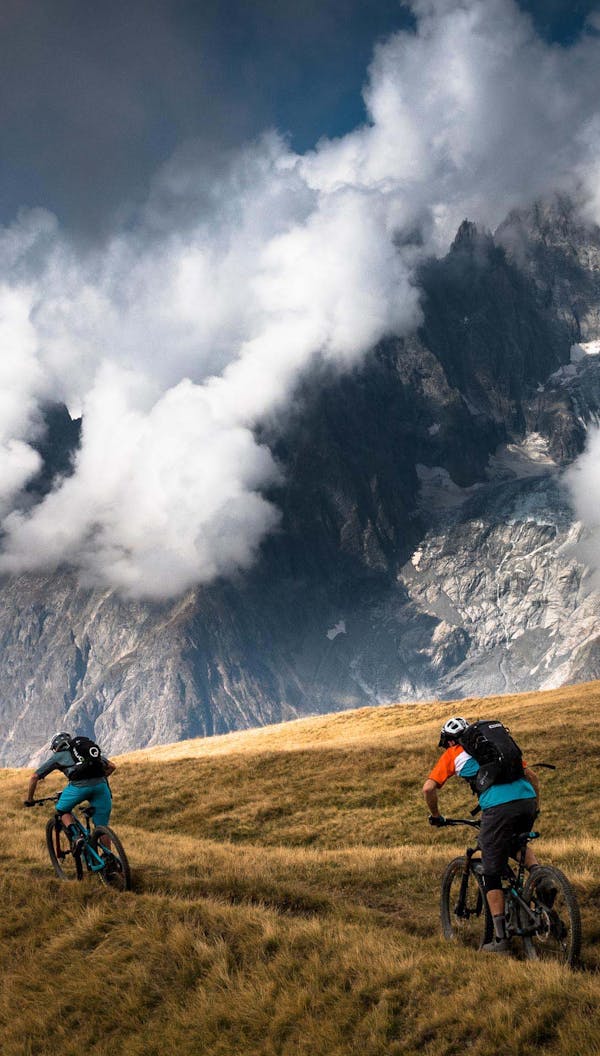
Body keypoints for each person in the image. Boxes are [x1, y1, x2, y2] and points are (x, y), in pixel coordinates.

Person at [423, 715, 547, 954]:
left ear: (449, 741)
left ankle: (501, 941)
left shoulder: (453, 753)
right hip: (527, 801)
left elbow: (428, 788)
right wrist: (536, 807)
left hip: (498, 808)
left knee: (490, 871)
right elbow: (533, 777)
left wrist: (437, 816)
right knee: (515, 843)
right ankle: (542, 881)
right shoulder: (497, 748)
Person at [24, 731, 116, 847]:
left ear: (55, 747)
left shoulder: (57, 756)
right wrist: (97, 780)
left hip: (79, 787)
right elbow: (112, 766)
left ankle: (77, 838)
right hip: (101, 787)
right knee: (101, 827)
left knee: (62, 810)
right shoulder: (83, 752)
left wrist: (30, 799)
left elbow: (34, 777)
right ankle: (109, 860)